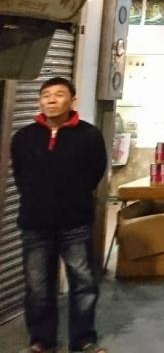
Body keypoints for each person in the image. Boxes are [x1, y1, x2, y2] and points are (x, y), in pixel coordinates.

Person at [9, 77, 108, 353]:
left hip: (75, 223)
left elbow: (96, 171)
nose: (51, 100)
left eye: (59, 94)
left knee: (83, 284)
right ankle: (42, 341)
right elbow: (20, 175)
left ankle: (83, 340)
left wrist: (74, 197)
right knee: (38, 287)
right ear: (39, 101)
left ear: (72, 100)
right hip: (35, 223)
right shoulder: (24, 137)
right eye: (46, 95)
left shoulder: (89, 135)